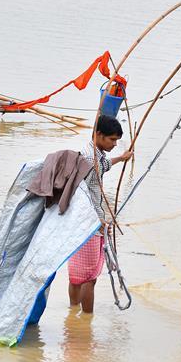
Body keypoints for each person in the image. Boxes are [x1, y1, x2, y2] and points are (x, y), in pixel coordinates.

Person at [67, 115, 133, 313]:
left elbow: (102, 167)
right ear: (99, 135)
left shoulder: (96, 154)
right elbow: (83, 194)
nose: (114, 144)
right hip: (88, 224)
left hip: (83, 223)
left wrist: (121, 159)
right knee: (89, 277)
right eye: (112, 140)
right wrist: (98, 221)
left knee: (79, 275)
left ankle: (73, 311)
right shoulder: (89, 158)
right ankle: (86, 319)